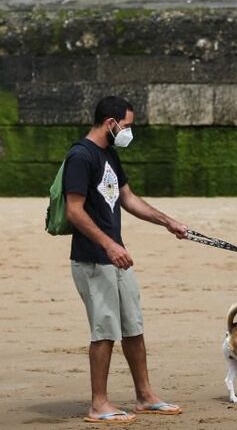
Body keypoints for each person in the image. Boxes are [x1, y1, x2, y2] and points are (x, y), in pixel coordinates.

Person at [64, 95, 188, 424]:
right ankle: (98, 404)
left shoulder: (109, 154)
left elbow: (128, 198)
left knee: (133, 326)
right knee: (104, 330)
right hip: (93, 258)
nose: (129, 131)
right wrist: (108, 245)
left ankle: (145, 396)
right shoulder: (80, 156)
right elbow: (73, 211)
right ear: (110, 123)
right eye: (127, 125)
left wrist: (168, 222)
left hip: (116, 256)